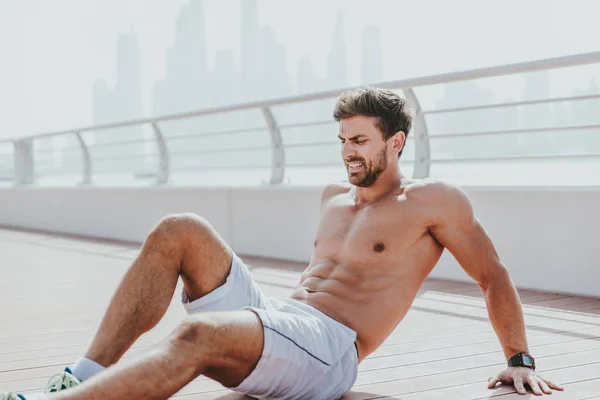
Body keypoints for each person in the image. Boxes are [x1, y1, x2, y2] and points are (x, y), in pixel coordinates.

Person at [1, 87, 564, 400]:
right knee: (180, 228)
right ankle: (82, 375)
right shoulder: (333, 197)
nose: (347, 151)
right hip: (284, 319)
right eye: (342, 139)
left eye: (360, 141)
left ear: (395, 142)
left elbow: (493, 274)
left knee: (199, 332)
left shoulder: (433, 202)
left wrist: (518, 358)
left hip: (331, 351)